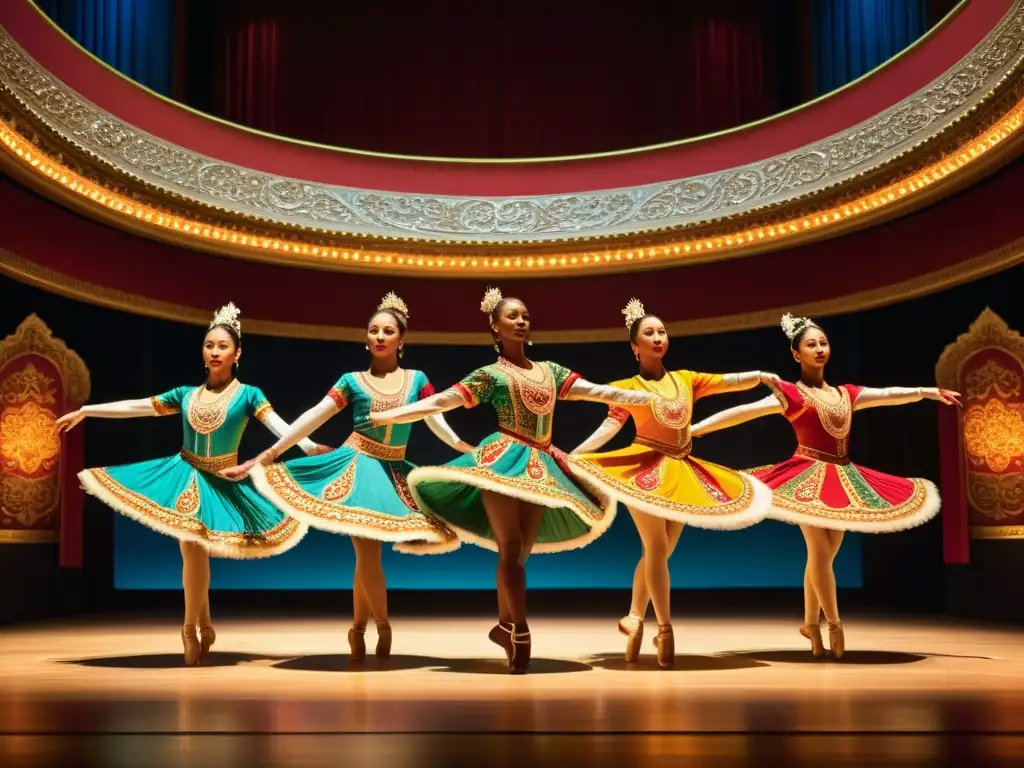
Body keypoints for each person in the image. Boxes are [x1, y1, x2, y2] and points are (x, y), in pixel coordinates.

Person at [361, 287, 654, 673]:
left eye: (524, 316)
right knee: (510, 547)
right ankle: (521, 632)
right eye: (512, 316)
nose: (520, 321)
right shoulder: (491, 375)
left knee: (518, 554)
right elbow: (441, 401)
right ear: (494, 327)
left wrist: (644, 397)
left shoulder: (551, 371)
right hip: (502, 462)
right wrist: (392, 416)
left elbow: (595, 392)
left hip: (540, 465)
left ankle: (504, 626)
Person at [54, 303, 325, 665]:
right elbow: (140, 408)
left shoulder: (248, 395)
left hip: (223, 481)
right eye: (209, 345)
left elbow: (279, 426)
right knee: (191, 551)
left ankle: (203, 623)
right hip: (185, 475)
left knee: (196, 554)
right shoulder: (185, 394)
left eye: (222, 346)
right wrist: (88, 410)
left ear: (237, 353)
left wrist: (306, 445)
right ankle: (190, 626)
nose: (214, 351)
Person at [690, 313, 961, 659]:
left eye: (823, 343)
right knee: (819, 552)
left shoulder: (845, 393)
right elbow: (743, 412)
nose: (819, 349)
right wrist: (695, 431)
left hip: (842, 479)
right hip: (804, 478)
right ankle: (834, 623)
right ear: (795, 354)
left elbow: (888, 394)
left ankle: (809, 624)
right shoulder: (790, 394)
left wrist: (927, 392)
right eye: (811, 344)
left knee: (825, 555)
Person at [220, 293, 472, 661]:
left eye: (388, 331)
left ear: (402, 340)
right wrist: (268, 454)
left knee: (366, 558)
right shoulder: (352, 381)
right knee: (368, 554)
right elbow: (314, 416)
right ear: (366, 338)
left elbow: (435, 419)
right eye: (374, 330)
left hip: (396, 472)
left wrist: (463, 446)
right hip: (357, 467)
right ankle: (381, 626)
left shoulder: (417, 380)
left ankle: (358, 630)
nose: (380, 336)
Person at [566, 298, 776, 668]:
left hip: (681, 472)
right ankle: (665, 629)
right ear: (635, 346)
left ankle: (634, 618)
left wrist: (759, 375)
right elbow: (609, 428)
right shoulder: (626, 386)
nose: (658, 337)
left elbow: (728, 383)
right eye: (649, 333)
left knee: (657, 555)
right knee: (655, 548)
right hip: (641, 471)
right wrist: (574, 456)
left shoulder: (686, 380)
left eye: (661, 332)